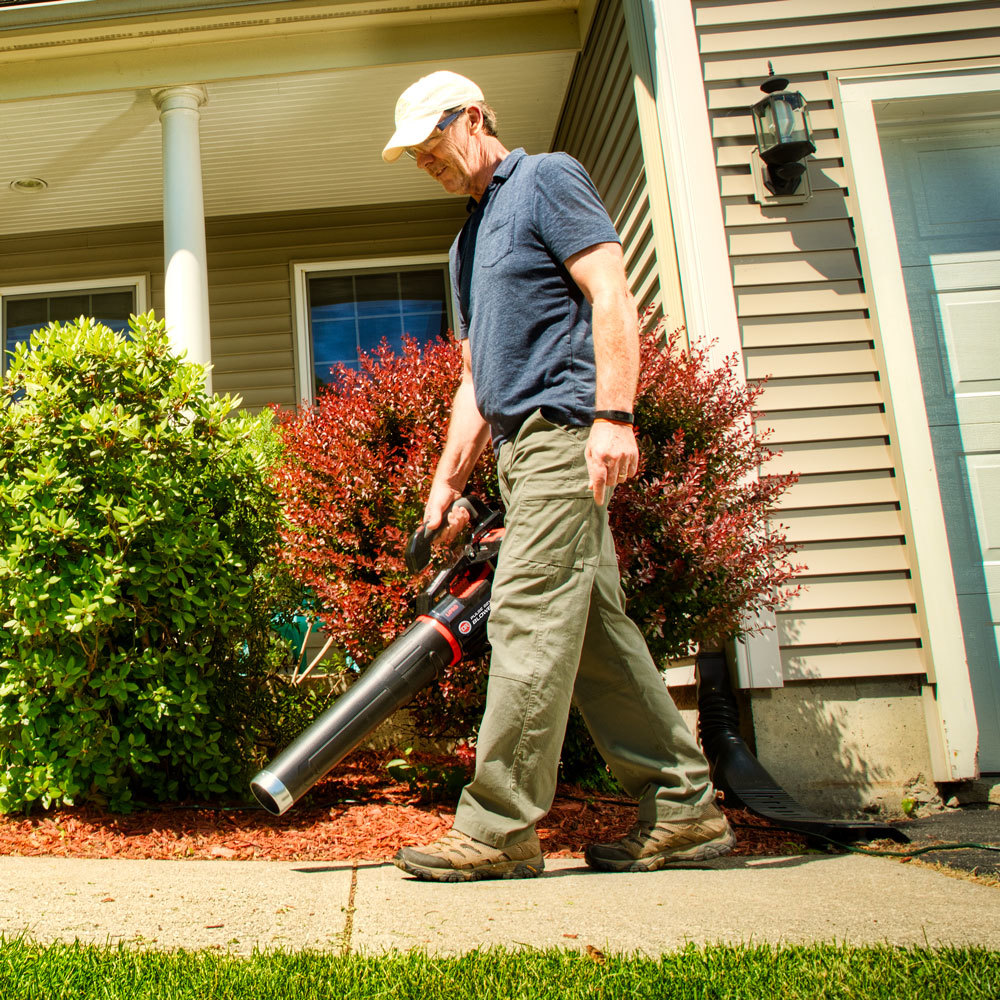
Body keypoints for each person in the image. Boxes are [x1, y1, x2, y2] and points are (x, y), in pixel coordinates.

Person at [381, 71, 734, 881]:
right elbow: (476, 377)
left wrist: (615, 415)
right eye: (417, 157)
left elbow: (610, 290)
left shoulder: (546, 179)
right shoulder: (467, 242)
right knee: (599, 638)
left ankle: (500, 827)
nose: (430, 163)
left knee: (527, 616)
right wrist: (447, 484)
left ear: (475, 116)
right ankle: (684, 810)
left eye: (436, 144)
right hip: (517, 451)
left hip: (566, 434)